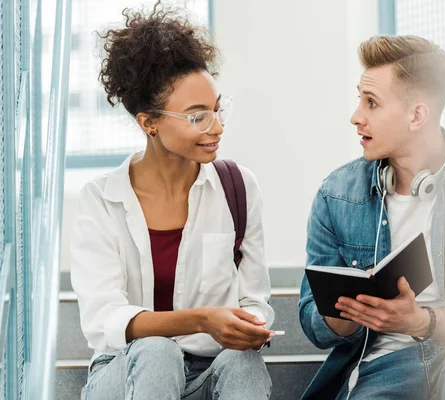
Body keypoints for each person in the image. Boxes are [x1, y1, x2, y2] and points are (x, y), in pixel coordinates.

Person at [299, 35, 445, 399]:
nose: (356, 117)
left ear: (417, 114)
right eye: (360, 99)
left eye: (371, 103)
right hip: (383, 366)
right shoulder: (336, 194)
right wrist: (348, 311)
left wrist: (421, 320)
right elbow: (312, 321)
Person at [71, 3, 273, 399]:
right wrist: (201, 320)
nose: (217, 127)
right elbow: (103, 320)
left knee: (244, 363)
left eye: (217, 110)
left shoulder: (238, 187)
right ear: (149, 122)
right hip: (123, 370)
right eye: (198, 117)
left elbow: (254, 297)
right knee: (158, 351)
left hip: (207, 368)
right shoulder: (101, 201)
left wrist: (252, 324)